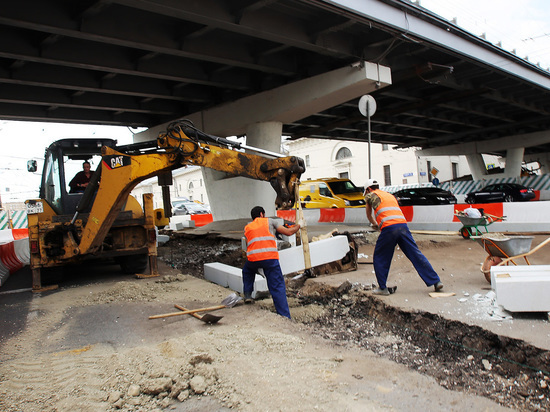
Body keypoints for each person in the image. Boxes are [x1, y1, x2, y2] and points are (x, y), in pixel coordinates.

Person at [364, 179, 443, 295]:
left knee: (380, 256)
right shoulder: (389, 195)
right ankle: (436, 281)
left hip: (389, 229)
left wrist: (374, 224)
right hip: (403, 226)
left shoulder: (371, 195)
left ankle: (382, 288)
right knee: (415, 254)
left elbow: (369, 215)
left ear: (368, 189)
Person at [242, 206, 302, 318]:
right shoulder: (270, 221)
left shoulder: (248, 227)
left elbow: (248, 245)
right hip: (270, 259)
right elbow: (288, 232)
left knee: (247, 271)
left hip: (253, 259)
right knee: (277, 286)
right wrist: (298, 226)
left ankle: (248, 295)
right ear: (261, 214)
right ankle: (284, 315)